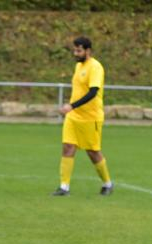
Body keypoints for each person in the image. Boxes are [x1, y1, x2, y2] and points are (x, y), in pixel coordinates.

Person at [52, 36, 113, 196]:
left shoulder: (95, 67)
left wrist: (71, 105)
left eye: (78, 50)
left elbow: (93, 92)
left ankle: (107, 183)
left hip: (91, 117)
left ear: (88, 51)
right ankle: (64, 187)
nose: (75, 53)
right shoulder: (79, 66)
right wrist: (72, 108)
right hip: (74, 117)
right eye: (74, 50)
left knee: (93, 152)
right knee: (68, 147)